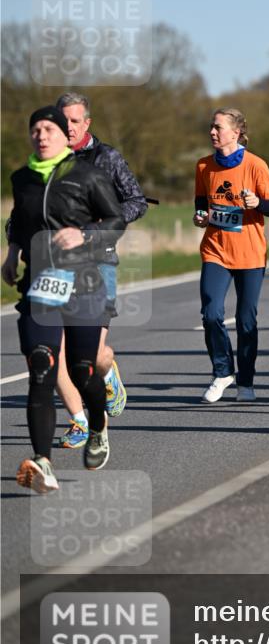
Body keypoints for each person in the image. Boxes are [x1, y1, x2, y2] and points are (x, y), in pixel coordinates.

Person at [1, 106, 125, 492]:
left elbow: (116, 220)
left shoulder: (87, 175)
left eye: (49, 128)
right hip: (40, 285)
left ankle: (99, 426)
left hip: (85, 285)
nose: (41, 134)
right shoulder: (22, 178)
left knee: (83, 371)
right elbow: (21, 221)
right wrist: (11, 253)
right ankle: (43, 462)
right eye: (35, 128)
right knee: (42, 366)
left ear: (63, 135)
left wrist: (85, 236)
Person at [51, 92, 148, 448]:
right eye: (63, 121)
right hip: (55, 265)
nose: (69, 128)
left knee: (92, 355)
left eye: (75, 121)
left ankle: (108, 375)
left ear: (87, 123)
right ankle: (79, 421)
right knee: (54, 350)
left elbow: (136, 202)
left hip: (98, 260)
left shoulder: (107, 158)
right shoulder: (47, 160)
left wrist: (96, 227)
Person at [194, 108, 269, 403]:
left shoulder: (256, 165)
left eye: (218, 127)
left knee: (245, 321)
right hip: (215, 250)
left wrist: (257, 202)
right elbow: (201, 202)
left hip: (250, 253)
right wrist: (201, 216)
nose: (212, 132)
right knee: (211, 313)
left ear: (236, 132)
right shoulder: (204, 166)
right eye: (211, 126)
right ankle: (222, 372)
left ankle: (245, 381)